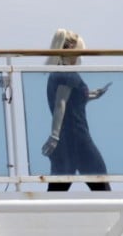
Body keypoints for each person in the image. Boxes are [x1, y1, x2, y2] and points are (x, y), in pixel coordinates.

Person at [42, 29, 112, 191]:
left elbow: (71, 100)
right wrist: (54, 135)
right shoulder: (68, 74)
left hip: (66, 138)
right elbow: (61, 103)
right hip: (77, 136)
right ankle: (111, 215)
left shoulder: (57, 73)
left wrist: (93, 94)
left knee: (58, 189)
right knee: (99, 178)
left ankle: (44, 216)